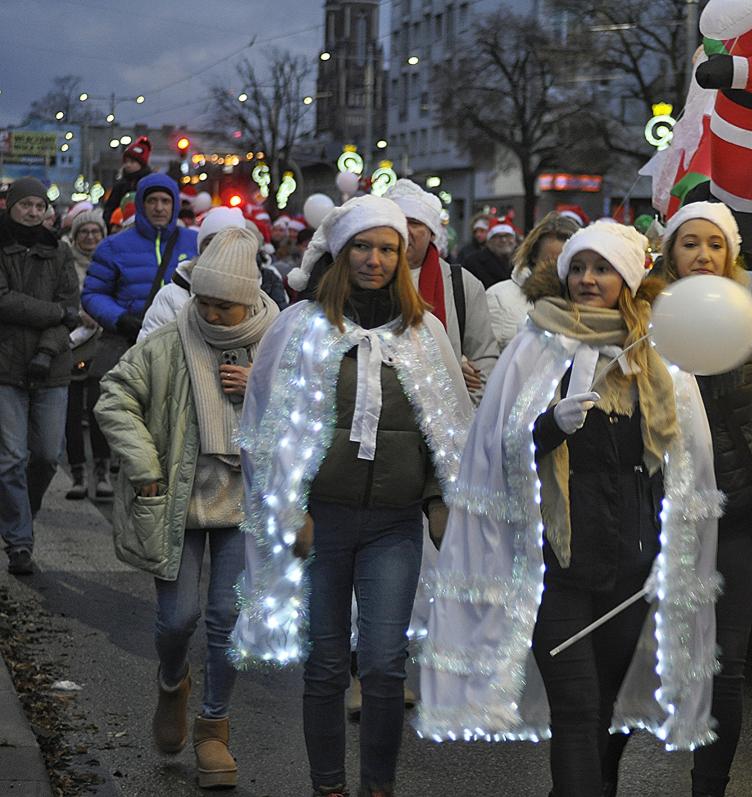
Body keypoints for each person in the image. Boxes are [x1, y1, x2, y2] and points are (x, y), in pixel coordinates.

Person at [418, 221, 722, 797]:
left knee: (603, 711)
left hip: (631, 570)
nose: (586, 279)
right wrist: (545, 428)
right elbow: (495, 447)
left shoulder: (654, 354)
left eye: (602, 269)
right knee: (578, 710)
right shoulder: (538, 343)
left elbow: (685, 462)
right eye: (578, 268)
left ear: (627, 279)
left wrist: (673, 554)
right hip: (555, 567)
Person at [232, 195, 472, 797]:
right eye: (363, 246)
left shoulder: (424, 332)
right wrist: (291, 509)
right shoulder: (303, 326)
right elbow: (267, 424)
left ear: (403, 256)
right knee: (325, 665)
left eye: (387, 248)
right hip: (324, 522)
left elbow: (447, 424)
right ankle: (329, 787)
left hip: (395, 524)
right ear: (341, 253)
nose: (375, 259)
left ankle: (378, 788)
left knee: (387, 665)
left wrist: (442, 500)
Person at [95, 227, 278, 789]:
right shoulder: (169, 342)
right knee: (177, 620)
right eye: (204, 301)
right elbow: (114, 396)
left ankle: (214, 730)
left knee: (227, 618)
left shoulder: (281, 343)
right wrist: (145, 466)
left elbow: (316, 418)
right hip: (175, 501)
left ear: (249, 299)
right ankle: (173, 681)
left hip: (244, 503)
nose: (213, 314)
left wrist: (264, 389)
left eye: (225, 305)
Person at [658, 202, 752, 797]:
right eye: (690, 243)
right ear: (671, 253)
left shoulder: (749, 324)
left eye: (715, 244)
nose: (703, 255)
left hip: (736, 518)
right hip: (662, 520)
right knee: (642, 655)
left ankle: (710, 785)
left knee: (727, 666)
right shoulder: (647, 323)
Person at [0, 177, 80, 575]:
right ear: (10, 206)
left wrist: (48, 349)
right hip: (5, 366)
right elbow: (3, 300)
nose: (33, 212)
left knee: (48, 456)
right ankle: (19, 541)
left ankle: (21, 514)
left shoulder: (60, 253)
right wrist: (54, 314)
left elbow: (71, 306)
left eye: (39, 205)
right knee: (11, 457)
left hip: (52, 367)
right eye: (25, 205)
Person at [384, 179, 499, 402]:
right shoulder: (369, 277)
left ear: (431, 233)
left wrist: (465, 419)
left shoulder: (462, 284)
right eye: (398, 221)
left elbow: (484, 359)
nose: (405, 230)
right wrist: (454, 369)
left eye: (415, 222)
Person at [83, 174, 198, 358]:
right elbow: (93, 293)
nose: (159, 208)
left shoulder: (194, 242)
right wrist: (119, 318)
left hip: (185, 344)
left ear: (175, 205)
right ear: (141, 204)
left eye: (165, 201)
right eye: (152, 200)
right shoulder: (113, 246)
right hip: (131, 343)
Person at [138, 207, 247, 341]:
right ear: (200, 247)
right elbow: (148, 353)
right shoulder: (171, 296)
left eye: (228, 242)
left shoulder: (256, 298)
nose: (218, 249)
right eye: (210, 242)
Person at [63, 209, 112, 500]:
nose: (90, 237)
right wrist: (77, 316)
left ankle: (102, 472)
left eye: (96, 232)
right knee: (70, 414)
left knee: (99, 410)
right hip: (70, 346)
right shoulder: (65, 263)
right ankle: (78, 474)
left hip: (103, 346)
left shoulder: (110, 262)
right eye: (85, 232)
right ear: (75, 235)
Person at [486, 211, 580, 350]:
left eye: (566, 261)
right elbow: (485, 359)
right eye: (550, 261)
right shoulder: (499, 298)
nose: (558, 269)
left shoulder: (588, 299)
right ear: (534, 256)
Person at [102, 135, 154, 227]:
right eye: (126, 162)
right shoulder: (120, 185)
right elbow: (110, 208)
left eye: (132, 162)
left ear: (141, 164)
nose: (128, 165)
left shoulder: (149, 183)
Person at [462, 219, 517, 289]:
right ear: (489, 241)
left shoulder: (523, 261)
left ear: (514, 239)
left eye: (508, 236)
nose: (504, 240)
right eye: (498, 236)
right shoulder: (473, 262)